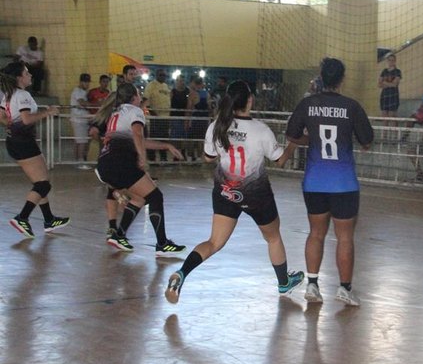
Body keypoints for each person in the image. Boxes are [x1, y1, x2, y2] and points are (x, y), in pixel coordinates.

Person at [164, 80, 305, 304]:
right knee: (273, 237)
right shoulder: (260, 130)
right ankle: (283, 282)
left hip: (225, 190)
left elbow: (208, 158)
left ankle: (181, 273)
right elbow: (280, 161)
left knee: (214, 243)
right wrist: (293, 144)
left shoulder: (217, 125)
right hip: (256, 194)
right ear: (250, 100)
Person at [286, 57, 374, 306]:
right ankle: (345, 289)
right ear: (342, 79)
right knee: (345, 237)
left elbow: (292, 135)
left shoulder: (307, 104)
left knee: (316, 233)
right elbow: (367, 141)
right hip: (344, 183)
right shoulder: (352, 106)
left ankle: (312, 285)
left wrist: (311, 139)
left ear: (321, 77)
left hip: (314, 182)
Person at [95, 82, 186, 256]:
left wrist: (165, 146)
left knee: (138, 198)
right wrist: (142, 157)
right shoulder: (135, 111)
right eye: (139, 94)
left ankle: (119, 235)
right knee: (155, 196)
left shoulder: (117, 112)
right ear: (134, 97)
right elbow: (137, 135)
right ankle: (162, 243)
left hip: (106, 163)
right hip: (121, 162)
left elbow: (138, 140)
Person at [1, 61, 70, 238]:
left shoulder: (9, 95)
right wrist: (48, 113)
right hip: (24, 143)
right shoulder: (22, 94)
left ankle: (48, 219)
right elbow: (25, 119)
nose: (30, 75)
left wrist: (10, 125)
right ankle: (22, 217)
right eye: (27, 73)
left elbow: (2, 115)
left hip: (14, 142)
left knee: (40, 183)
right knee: (43, 184)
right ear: (19, 77)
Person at [144, 69, 171, 162]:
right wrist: (154, 114)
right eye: (161, 75)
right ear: (156, 75)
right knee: (154, 138)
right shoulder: (151, 86)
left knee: (164, 138)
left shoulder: (166, 86)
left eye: (164, 75)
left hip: (166, 118)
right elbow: (146, 101)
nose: (163, 77)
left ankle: (163, 158)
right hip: (155, 118)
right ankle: (152, 159)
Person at [69, 73, 92, 168]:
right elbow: (82, 103)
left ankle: (76, 161)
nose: (87, 84)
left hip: (82, 120)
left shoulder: (84, 92)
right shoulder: (77, 91)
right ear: (80, 82)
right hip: (79, 120)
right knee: (82, 141)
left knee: (79, 141)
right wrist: (96, 104)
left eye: (88, 82)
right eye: (85, 82)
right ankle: (81, 162)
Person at [377, 53, 401, 141]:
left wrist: (385, 83)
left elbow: (395, 84)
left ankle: (395, 137)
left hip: (393, 96)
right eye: (389, 60)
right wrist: (387, 84)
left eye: (392, 60)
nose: (391, 62)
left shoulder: (397, 71)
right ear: (387, 61)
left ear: (395, 61)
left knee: (392, 116)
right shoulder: (384, 71)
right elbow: (379, 84)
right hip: (384, 96)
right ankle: (384, 136)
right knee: (384, 117)